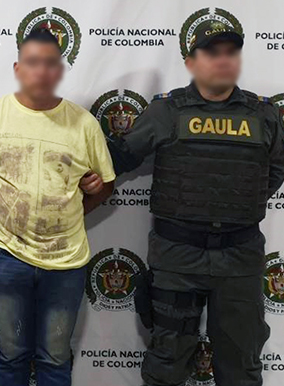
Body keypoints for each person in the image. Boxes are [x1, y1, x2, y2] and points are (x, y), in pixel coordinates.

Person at [81, 21, 284, 386]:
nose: (223, 60)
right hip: (177, 255)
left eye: (231, 53)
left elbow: (276, 170)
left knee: (241, 366)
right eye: (212, 53)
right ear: (191, 62)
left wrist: (237, 203)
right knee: (168, 362)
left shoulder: (263, 115)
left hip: (239, 257)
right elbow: (119, 157)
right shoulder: (167, 111)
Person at [0, 28, 115, 386]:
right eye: (32, 63)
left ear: (60, 70)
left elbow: (106, 184)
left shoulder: (83, 124)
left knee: (55, 357)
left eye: (50, 63)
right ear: (18, 68)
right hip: (7, 255)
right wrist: (0, 207)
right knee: (12, 354)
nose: (41, 71)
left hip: (66, 262)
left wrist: (84, 200)